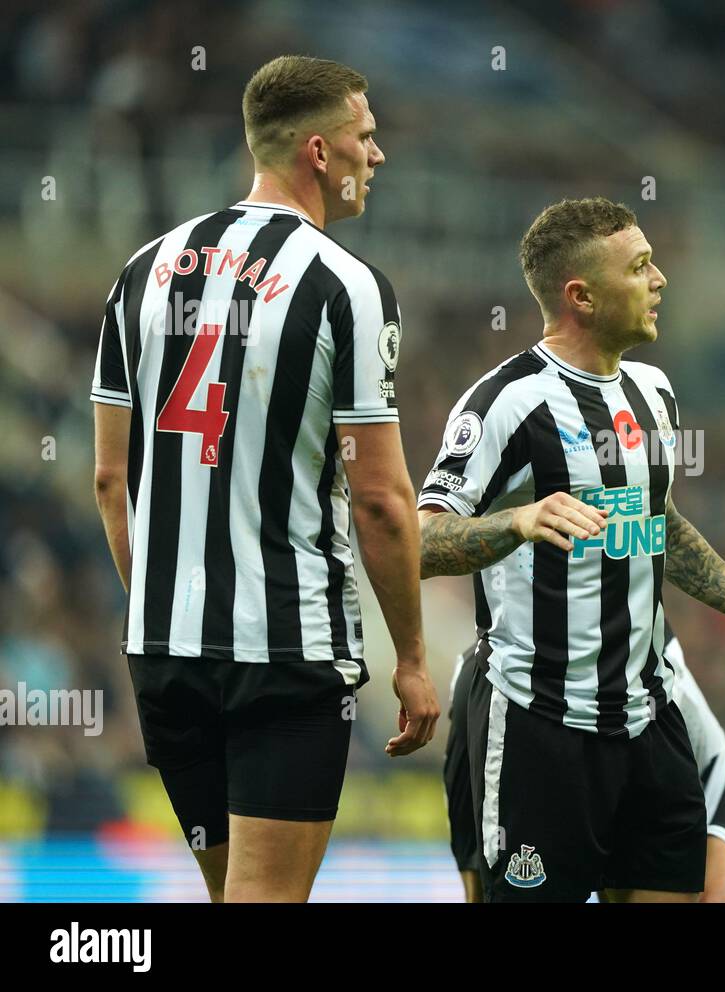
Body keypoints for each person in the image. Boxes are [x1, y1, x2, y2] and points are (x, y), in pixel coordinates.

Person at [418, 196, 725, 903]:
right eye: (641, 267)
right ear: (581, 296)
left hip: (650, 720)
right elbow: (419, 540)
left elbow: (660, 525)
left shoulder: (653, 391)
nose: (661, 281)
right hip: (539, 724)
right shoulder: (507, 402)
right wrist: (517, 522)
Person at [90, 55, 438, 903]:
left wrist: (161, 601)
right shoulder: (345, 285)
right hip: (285, 650)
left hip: (166, 653)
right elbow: (384, 501)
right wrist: (415, 658)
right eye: (367, 137)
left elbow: (109, 478)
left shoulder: (143, 269)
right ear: (320, 152)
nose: (377, 157)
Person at [442, 617, 725, 903]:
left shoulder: (662, 684)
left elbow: (718, 775)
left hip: (637, 740)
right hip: (509, 719)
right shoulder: (487, 687)